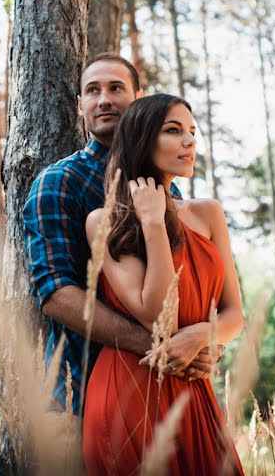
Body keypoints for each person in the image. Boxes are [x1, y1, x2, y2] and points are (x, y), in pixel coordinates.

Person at [22, 56, 221, 458]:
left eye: (116, 88)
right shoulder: (60, 182)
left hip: (171, 395)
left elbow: (194, 292)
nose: (104, 100)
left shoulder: (172, 194)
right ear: (80, 105)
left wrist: (203, 342)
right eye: (92, 91)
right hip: (82, 397)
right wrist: (160, 349)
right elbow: (56, 294)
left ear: (139, 100)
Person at [82, 94, 245, 475]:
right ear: (142, 139)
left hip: (194, 384)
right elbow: (159, 318)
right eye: (173, 131)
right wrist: (153, 224)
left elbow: (236, 314)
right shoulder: (103, 221)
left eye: (192, 132)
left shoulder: (208, 214)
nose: (189, 141)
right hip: (130, 390)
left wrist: (204, 336)